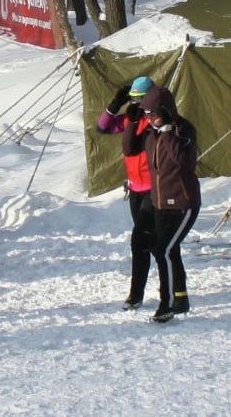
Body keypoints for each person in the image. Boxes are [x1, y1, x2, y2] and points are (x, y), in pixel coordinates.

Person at [137, 85, 200, 323]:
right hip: (161, 203)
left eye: (153, 114)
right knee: (167, 249)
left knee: (163, 250)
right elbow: (129, 147)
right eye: (147, 114)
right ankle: (181, 297)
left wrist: (170, 130)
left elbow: (183, 162)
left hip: (184, 203)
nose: (150, 119)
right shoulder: (152, 134)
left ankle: (168, 304)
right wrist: (137, 120)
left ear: (166, 111)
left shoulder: (183, 130)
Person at [96, 76, 156, 310]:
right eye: (133, 100)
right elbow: (102, 127)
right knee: (145, 242)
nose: (136, 105)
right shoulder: (131, 118)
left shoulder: (154, 120)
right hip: (135, 189)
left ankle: (141, 293)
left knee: (142, 240)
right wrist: (114, 105)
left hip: (154, 189)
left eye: (140, 100)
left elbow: (134, 146)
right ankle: (139, 293)